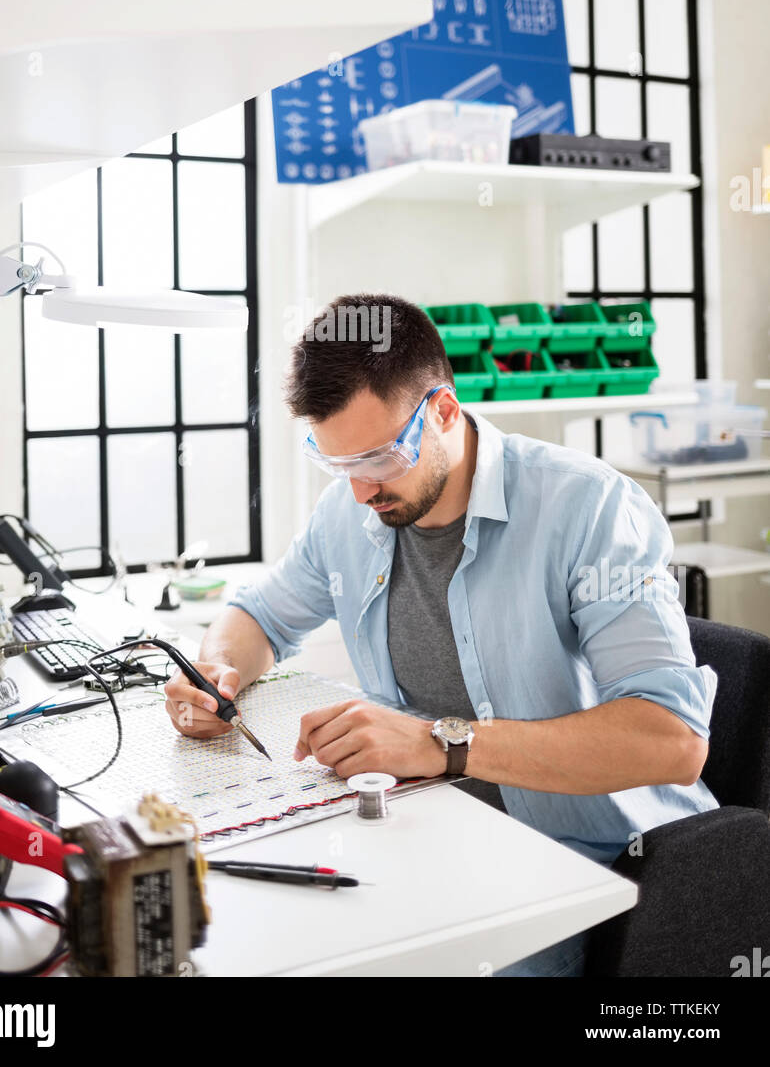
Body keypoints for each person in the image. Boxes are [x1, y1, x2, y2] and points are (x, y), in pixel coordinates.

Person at [165, 293, 718, 976]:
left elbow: (673, 741)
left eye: (378, 458)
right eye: (338, 464)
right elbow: (259, 615)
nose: (362, 491)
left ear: (445, 411)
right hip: (435, 840)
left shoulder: (589, 508)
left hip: (591, 866)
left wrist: (439, 745)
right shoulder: (350, 508)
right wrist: (215, 671)